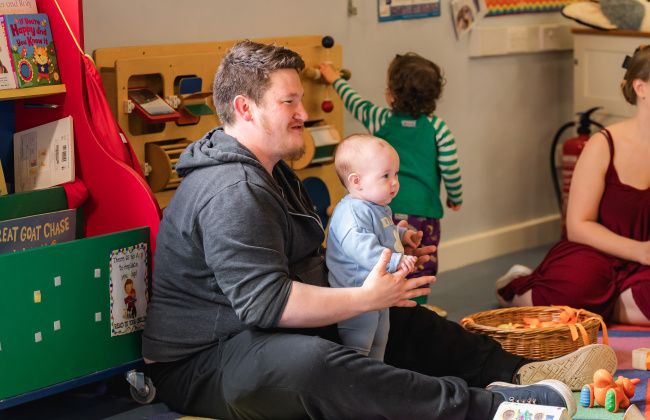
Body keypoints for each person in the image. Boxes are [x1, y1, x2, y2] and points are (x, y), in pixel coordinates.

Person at [141, 40, 618, 420]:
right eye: (289, 102)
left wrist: (374, 291)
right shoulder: (232, 189)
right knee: (319, 364)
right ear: (245, 109)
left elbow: (312, 263)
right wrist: (363, 298)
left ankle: (519, 372)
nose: (303, 114)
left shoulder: (271, 170)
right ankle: (493, 408)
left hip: (261, 332)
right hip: (205, 362)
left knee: (399, 317)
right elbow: (269, 304)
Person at [496, 44, 650, 329]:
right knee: (574, 284)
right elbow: (578, 225)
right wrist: (638, 250)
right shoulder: (603, 143)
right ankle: (514, 288)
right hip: (600, 254)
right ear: (641, 87)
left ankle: (588, 309)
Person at [318, 53, 462, 306]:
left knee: (385, 255)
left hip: (384, 208)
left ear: (392, 95)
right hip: (424, 212)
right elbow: (450, 168)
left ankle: (390, 304)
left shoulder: (380, 119)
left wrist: (335, 79)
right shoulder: (438, 128)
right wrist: (455, 197)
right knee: (419, 260)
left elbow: (354, 101)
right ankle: (418, 307)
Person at [327, 134, 417, 360]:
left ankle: (377, 375)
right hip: (356, 294)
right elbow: (363, 248)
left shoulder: (376, 206)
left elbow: (381, 235)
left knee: (380, 339)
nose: (395, 182)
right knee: (358, 345)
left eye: (395, 174)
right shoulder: (352, 212)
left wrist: (402, 235)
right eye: (385, 175)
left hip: (377, 292)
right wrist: (396, 261)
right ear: (356, 181)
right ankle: (358, 382)